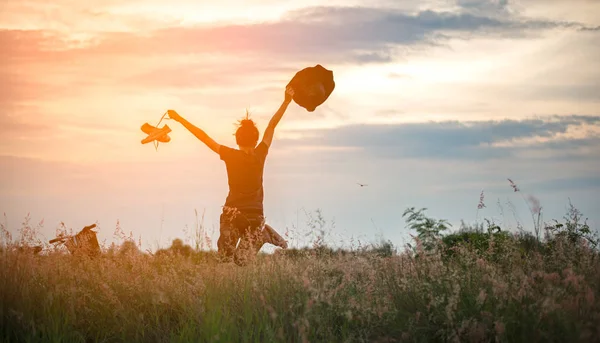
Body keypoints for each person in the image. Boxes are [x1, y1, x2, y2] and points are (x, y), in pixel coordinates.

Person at [167, 86, 295, 265]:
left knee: (225, 257)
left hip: (232, 215)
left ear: (237, 140)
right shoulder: (260, 153)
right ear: (256, 139)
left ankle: (263, 233)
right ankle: (263, 233)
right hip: (254, 217)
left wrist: (180, 119)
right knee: (241, 262)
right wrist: (286, 101)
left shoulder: (230, 154)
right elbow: (272, 125)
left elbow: (204, 137)